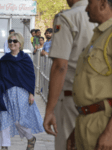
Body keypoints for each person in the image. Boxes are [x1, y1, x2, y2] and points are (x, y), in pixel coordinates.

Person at [43, 0, 95, 150]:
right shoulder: (105, 17)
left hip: (72, 99)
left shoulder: (67, 18)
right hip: (100, 100)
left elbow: (60, 66)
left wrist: (49, 110)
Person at [67, 0, 112, 150]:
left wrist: (110, 132)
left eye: (90, 2)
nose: (86, 8)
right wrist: (77, 129)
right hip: (86, 120)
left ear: (103, 4)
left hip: (103, 123)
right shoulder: (100, 35)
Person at [0, 33, 44, 150]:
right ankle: (4, 146)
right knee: (4, 120)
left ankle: (30, 138)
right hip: (5, 93)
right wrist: (1, 85)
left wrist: (31, 93)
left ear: (20, 43)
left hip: (21, 94)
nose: (12, 43)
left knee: (19, 121)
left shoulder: (25, 59)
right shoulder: (4, 60)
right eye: (10, 41)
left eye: (15, 41)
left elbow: (31, 76)